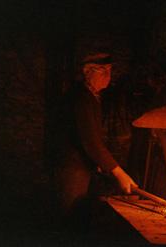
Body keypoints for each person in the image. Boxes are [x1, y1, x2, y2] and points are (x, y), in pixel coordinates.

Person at [56, 52, 137, 213]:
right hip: (72, 167)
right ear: (87, 73)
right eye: (102, 70)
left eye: (109, 70)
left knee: (79, 212)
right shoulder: (81, 98)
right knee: (70, 213)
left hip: (80, 165)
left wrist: (99, 164)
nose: (108, 75)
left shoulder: (90, 97)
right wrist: (119, 173)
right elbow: (90, 141)